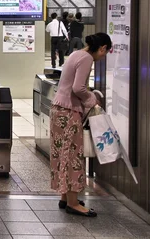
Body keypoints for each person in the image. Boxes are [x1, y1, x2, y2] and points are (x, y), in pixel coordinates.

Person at [50, 33, 112, 217]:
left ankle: (65, 197)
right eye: (105, 52)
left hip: (58, 109)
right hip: (69, 112)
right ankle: (73, 203)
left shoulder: (76, 54)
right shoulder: (86, 59)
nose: (104, 56)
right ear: (102, 48)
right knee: (73, 156)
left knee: (63, 154)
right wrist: (92, 100)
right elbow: (78, 88)